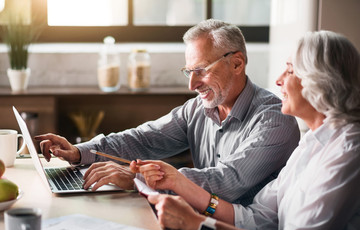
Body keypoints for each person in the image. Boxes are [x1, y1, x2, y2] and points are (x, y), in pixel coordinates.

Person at [35, 19, 299, 205]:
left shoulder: (275, 119)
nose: (192, 85)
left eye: (201, 71)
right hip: (197, 221)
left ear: (237, 63)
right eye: (188, 71)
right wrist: (81, 151)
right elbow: (143, 139)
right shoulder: (198, 109)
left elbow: (228, 181)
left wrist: (138, 178)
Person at [136, 30, 360, 230]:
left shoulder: (350, 149)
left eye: (290, 70)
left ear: (321, 80)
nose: (279, 79)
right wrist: (178, 183)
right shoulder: (311, 143)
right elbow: (257, 216)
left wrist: (197, 224)